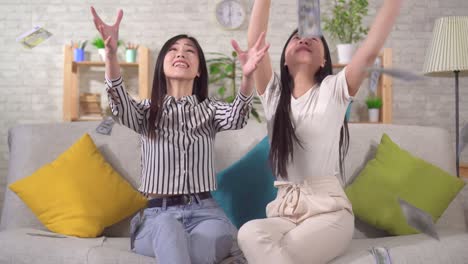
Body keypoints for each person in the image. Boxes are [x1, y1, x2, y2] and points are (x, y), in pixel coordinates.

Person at [90, 6, 269, 264]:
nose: (181, 53)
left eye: (189, 51)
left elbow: (237, 117)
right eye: (173, 50)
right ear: (162, 65)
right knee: (168, 227)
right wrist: (111, 55)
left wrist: (248, 78)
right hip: (157, 216)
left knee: (204, 243)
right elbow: (118, 103)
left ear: (198, 70)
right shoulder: (144, 112)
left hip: (206, 214)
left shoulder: (210, 110)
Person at [237, 0, 402, 263]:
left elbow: (369, 52)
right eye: (296, 38)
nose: (304, 38)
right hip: (284, 213)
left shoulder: (335, 89)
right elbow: (255, 38)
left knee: (283, 251)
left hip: (330, 214)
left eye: (314, 38)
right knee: (248, 233)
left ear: (325, 58)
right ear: (284, 58)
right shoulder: (274, 95)